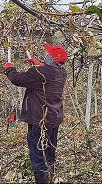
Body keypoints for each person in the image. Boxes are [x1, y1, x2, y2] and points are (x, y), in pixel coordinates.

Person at [4, 42, 67, 183]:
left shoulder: (39, 73)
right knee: (50, 153)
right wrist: (39, 64)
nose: (46, 54)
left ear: (51, 59)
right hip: (54, 119)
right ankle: (50, 178)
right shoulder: (62, 72)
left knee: (38, 156)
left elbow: (16, 79)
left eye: (48, 54)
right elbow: (48, 74)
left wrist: (9, 69)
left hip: (39, 120)